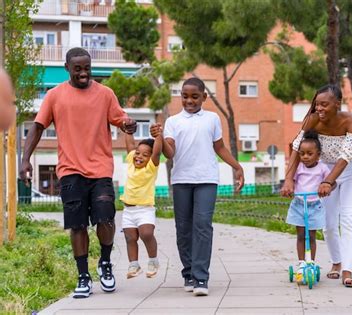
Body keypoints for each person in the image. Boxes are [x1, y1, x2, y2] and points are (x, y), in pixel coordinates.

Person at [19, 47, 137, 298]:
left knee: (106, 219)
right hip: (71, 170)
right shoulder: (54, 95)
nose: (83, 73)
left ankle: (105, 264)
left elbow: (122, 119)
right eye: (78, 69)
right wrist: (25, 159)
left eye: (87, 68)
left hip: (101, 169)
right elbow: (38, 127)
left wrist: (130, 124)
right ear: (67, 68)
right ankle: (83, 275)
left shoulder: (105, 94)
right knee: (77, 225)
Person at [151, 77, 244, 297]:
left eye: (194, 96)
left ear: (204, 97)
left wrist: (237, 166)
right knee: (183, 229)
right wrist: (160, 138)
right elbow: (170, 153)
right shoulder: (173, 121)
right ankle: (188, 274)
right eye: (185, 96)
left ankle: (201, 277)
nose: (189, 100)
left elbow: (219, 146)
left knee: (202, 225)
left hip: (207, 179)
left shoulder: (212, 118)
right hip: (182, 180)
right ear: (180, 97)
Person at [281, 84, 352, 288]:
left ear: (337, 103)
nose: (319, 108)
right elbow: (296, 148)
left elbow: (346, 155)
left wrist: (329, 181)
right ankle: (336, 262)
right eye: (317, 104)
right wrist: (289, 178)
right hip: (323, 170)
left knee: (349, 219)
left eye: (324, 104)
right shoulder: (312, 120)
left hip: (350, 171)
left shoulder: (351, 121)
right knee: (328, 223)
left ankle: (347, 270)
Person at [286, 129, 331, 284]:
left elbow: (331, 181)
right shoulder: (298, 168)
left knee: (311, 236)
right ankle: (301, 263)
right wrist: (289, 188)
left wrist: (327, 187)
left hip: (314, 206)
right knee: (300, 235)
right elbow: (290, 180)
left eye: (309, 154)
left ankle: (310, 261)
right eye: (302, 153)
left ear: (318, 154)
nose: (305, 157)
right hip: (299, 204)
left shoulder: (323, 168)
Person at [120, 122, 162, 279]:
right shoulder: (131, 161)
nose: (139, 157)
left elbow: (157, 152)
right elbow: (130, 144)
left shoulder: (151, 167)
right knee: (130, 237)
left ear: (150, 158)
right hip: (128, 210)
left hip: (144, 209)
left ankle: (153, 261)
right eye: (138, 153)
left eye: (145, 155)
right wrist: (128, 130)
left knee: (146, 234)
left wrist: (158, 136)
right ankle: (134, 265)